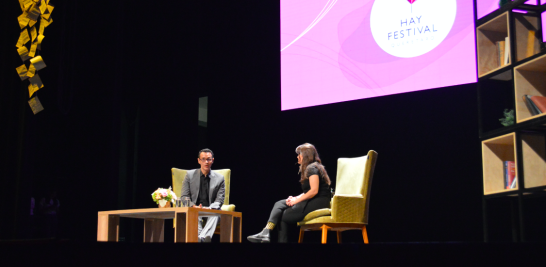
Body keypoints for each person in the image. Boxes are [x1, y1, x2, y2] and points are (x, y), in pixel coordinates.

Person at [248, 143, 331, 243]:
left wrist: (296, 201)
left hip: (319, 202)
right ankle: (266, 232)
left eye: (299, 154)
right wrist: (295, 198)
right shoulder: (312, 167)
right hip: (314, 200)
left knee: (283, 216)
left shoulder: (311, 168)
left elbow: (314, 191)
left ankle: (267, 234)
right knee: (279, 204)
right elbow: (306, 191)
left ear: (305, 155)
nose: (297, 157)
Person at [181, 148, 225, 242]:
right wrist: (193, 206)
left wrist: (209, 208)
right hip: (195, 209)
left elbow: (219, 200)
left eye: (209, 159)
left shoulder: (220, 178)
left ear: (212, 160)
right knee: (194, 214)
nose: (206, 162)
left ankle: (201, 238)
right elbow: (184, 196)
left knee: (217, 213)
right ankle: (204, 238)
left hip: (210, 210)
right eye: (203, 159)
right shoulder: (189, 175)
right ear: (199, 160)